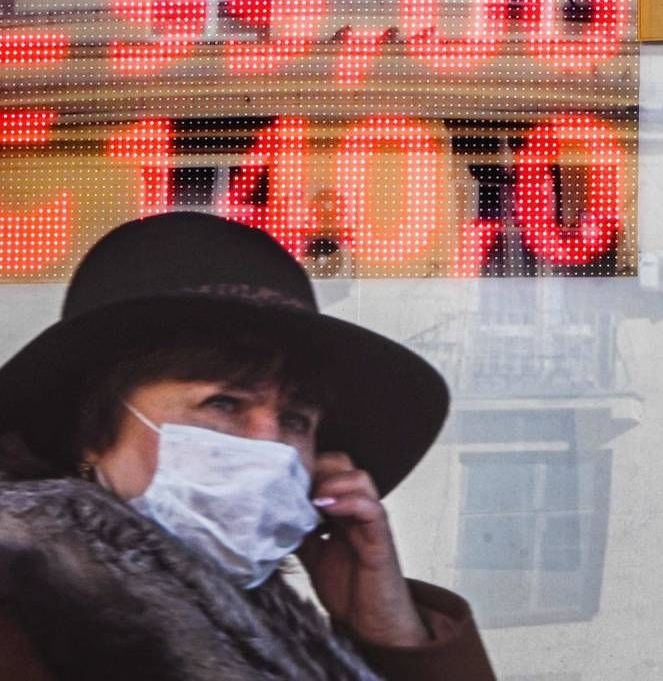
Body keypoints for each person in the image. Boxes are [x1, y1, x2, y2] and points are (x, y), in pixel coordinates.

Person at [0, 211, 498, 680]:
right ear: (92, 433)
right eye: (223, 403)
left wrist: (388, 629)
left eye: (295, 419)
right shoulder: (21, 619)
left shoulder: (251, 619)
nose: (271, 444)